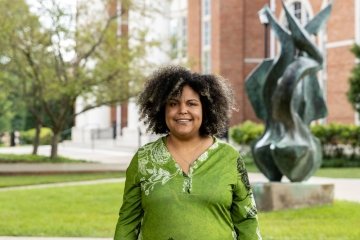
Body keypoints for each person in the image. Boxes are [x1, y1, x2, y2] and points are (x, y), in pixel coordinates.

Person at [114, 65, 262, 240]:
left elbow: (247, 221)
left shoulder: (229, 158)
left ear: (206, 109)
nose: (182, 110)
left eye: (192, 104)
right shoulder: (144, 159)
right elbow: (127, 222)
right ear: (163, 109)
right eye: (173, 103)